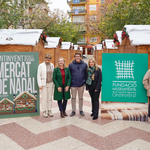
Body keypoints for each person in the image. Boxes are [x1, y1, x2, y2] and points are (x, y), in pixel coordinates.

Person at [69, 52, 87, 117]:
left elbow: (86, 74)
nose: (77, 57)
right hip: (73, 84)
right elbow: (69, 75)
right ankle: (73, 110)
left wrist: (84, 82)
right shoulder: (71, 65)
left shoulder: (84, 65)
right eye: (76, 56)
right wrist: (69, 84)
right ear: (74, 57)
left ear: (81, 57)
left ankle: (81, 110)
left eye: (79, 56)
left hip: (81, 84)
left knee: (81, 98)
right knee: (73, 98)